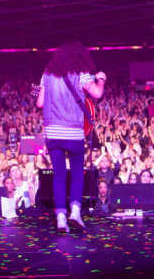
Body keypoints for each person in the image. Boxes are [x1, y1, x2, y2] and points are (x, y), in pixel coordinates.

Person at [36, 41, 106, 232]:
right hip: (73, 131)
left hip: (52, 131)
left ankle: (60, 218)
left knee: (58, 175)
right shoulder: (81, 73)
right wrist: (100, 79)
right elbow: (97, 93)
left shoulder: (47, 73)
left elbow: (40, 103)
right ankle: (75, 212)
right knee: (76, 173)